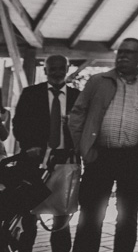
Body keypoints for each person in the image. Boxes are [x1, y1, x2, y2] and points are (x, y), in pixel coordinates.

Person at [69, 38, 138, 252]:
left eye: (129, 52)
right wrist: (83, 148)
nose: (122, 55)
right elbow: (76, 115)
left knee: (127, 216)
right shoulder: (97, 81)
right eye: (120, 51)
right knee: (91, 214)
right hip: (99, 155)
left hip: (134, 158)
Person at [12, 55, 80, 252]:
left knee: (61, 219)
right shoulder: (31, 93)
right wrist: (28, 147)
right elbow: (19, 125)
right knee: (29, 215)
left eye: (61, 68)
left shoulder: (78, 96)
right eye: (53, 69)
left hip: (66, 163)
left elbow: (86, 129)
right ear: (45, 70)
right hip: (34, 162)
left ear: (67, 69)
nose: (57, 72)